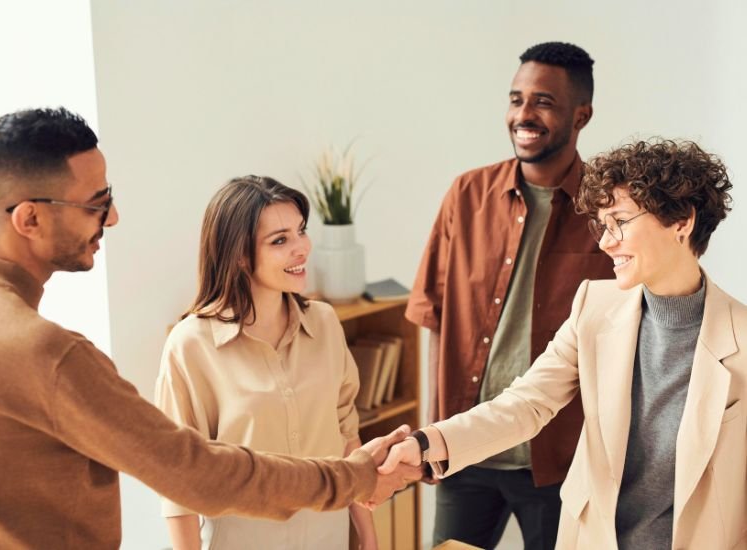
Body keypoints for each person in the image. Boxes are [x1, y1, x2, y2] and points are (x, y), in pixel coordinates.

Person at [0, 107, 419, 549]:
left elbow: (340, 425)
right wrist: (355, 477)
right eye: (96, 204)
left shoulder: (324, 323)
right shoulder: (47, 354)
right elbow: (191, 474)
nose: (114, 217)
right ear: (29, 219)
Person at [382, 139, 745, 549]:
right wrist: (427, 444)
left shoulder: (742, 340)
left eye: (621, 221)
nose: (606, 242)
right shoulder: (594, 305)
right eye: (603, 225)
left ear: (682, 222)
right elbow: (526, 403)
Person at [405, 41, 613, 548]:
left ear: (580, 115)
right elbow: (431, 316)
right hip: (465, 450)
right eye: (516, 99)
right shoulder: (466, 196)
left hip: (559, 460)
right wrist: (433, 432)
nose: (524, 114)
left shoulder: (608, 209)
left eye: (543, 101)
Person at [155, 176, 378, 550]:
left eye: (300, 232)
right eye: (280, 240)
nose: (301, 248)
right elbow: (178, 482)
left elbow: (346, 437)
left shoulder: (324, 323)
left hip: (329, 540)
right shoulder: (191, 345)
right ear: (239, 256)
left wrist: (368, 536)